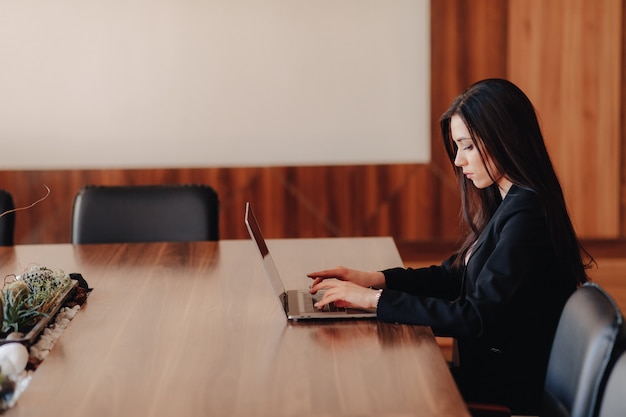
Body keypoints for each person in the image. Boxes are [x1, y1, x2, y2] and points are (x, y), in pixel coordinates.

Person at [307, 78, 594, 415]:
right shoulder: (511, 201)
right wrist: (372, 279)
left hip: (508, 388)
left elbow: (475, 317)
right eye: (458, 147)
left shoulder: (528, 213)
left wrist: (372, 301)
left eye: (467, 146)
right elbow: (453, 277)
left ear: (505, 138)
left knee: (373, 386)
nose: (458, 160)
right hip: (492, 372)